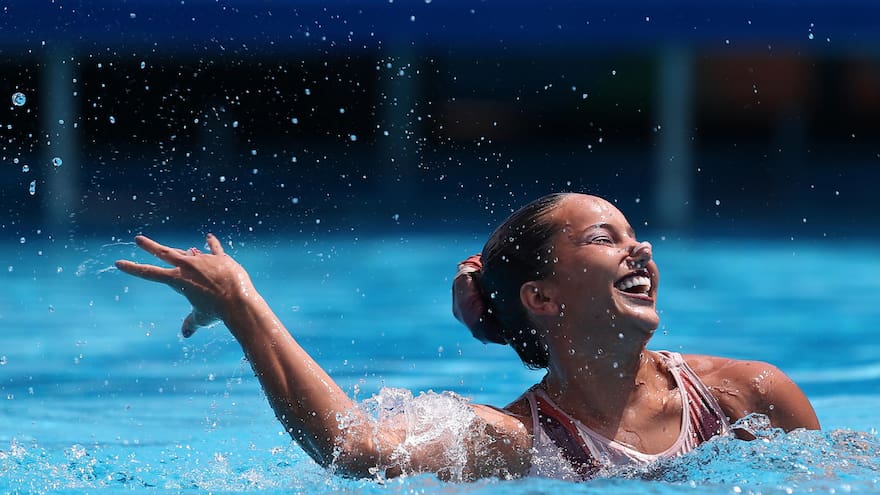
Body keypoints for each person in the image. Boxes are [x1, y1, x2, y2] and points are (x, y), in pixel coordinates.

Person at [115, 192, 819, 481]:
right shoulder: (515, 442)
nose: (641, 249)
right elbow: (357, 450)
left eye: (635, 236)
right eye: (606, 238)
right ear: (541, 298)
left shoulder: (746, 398)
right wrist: (241, 303)